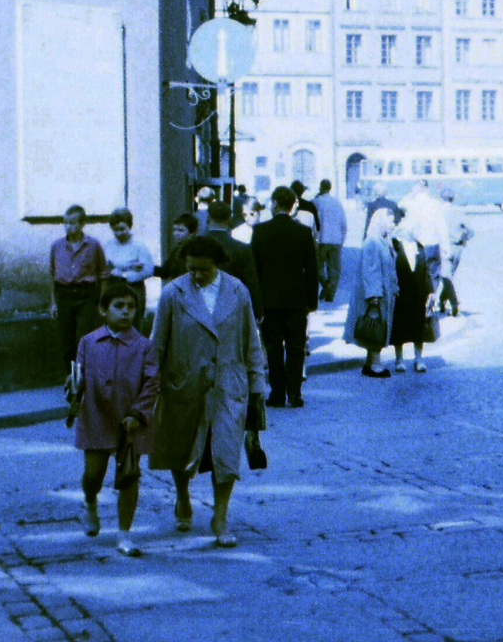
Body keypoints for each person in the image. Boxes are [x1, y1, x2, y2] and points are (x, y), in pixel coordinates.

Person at [150, 234, 264, 547]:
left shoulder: (238, 291)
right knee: (182, 452)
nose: (197, 275)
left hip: (228, 385)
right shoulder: (173, 293)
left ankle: (220, 517)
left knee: (226, 453)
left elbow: (250, 340)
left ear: (218, 265)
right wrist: (150, 387)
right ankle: (183, 497)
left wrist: (257, 385)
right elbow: (156, 344)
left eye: (204, 270)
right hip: (183, 384)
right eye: (192, 269)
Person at [73, 283, 158, 556]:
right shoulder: (88, 342)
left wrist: (138, 414)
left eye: (131, 307)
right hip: (96, 416)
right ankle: (90, 502)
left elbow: (151, 383)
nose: (125, 312)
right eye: (118, 306)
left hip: (130, 421)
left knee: (128, 477)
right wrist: (73, 389)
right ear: (103, 309)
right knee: (93, 475)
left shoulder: (144, 346)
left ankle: (124, 534)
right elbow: (79, 376)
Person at [250, 186, 319, 408]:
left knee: (274, 348)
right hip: (297, 300)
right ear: (292, 206)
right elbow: (311, 269)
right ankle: (295, 393)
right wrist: (312, 301)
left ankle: (277, 393)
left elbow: (255, 270)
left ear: (275, 204)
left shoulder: (260, 231)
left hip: (269, 300)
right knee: (296, 348)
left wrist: (256, 302)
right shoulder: (303, 232)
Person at [344, 207, 399, 378]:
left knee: (376, 326)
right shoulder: (373, 242)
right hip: (377, 295)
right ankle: (376, 363)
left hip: (384, 293)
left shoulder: (381, 240)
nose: (393, 225)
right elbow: (371, 271)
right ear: (381, 221)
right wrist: (374, 297)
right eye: (391, 221)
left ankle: (369, 362)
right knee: (377, 327)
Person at [50, 205, 107, 368]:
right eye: (66, 223)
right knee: (66, 341)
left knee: (84, 339)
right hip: (64, 295)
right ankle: (71, 379)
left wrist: (100, 302)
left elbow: (103, 275)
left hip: (86, 295)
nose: (68, 226)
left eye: (73, 223)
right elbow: (52, 276)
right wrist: (53, 302)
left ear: (82, 224)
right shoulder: (57, 246)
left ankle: (84, 377)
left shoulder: (93, 245)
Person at [205, 201, 263, 323]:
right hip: (231, 307)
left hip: (200, 306)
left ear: (208, 218)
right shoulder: (242, 248)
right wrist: (257, 310)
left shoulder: (194, 244)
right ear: (229, 218)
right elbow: (251, 281)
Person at [390, 221, 434, 373]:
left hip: (418, 293)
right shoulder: (395, 247)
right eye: (415, 229)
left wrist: (431, 292)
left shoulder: (420, 247)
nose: (418, 232)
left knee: (418, 326)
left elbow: (426, 271)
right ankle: (399, 359)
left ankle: (418, 359)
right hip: (400, 292)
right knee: (400, 327)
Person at [102, 207, 153, 332]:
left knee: (132, 325)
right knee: (113, 325)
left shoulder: (138, 245)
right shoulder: (108, 245)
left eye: (122, 229)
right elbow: (104, 266)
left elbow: (148, 270)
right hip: (113, 287)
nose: (119, 233)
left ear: (129, 226)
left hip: (133, 289)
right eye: (115, 230)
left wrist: (125, 274)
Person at [402, 180, 450, 293]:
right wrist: (445, 246)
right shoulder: (435, 203)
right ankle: (432, 300)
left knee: (418, 275)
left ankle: (422, 302)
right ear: (427, 189)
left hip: (417, 246)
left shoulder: (410, 204)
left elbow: (407, 227)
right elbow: (442, 227)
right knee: (433, 275)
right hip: (433, 245)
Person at [313, 179, 348, 305]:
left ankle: (326, 287)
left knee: (318, 267)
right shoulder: (337, 203)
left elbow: (313, 221)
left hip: (322, 239)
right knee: (334, 269)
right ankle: (331, 293)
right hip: (336, 239)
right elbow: (344, 223)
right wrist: (342, 238)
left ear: (321, 187)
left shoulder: (316, 202)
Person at [154, 213, 197, 282]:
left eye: (181, 230)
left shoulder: (194, 250)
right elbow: (165, 272)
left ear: (191, 233)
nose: (176, 233)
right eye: (175, 230)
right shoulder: (176, 250)